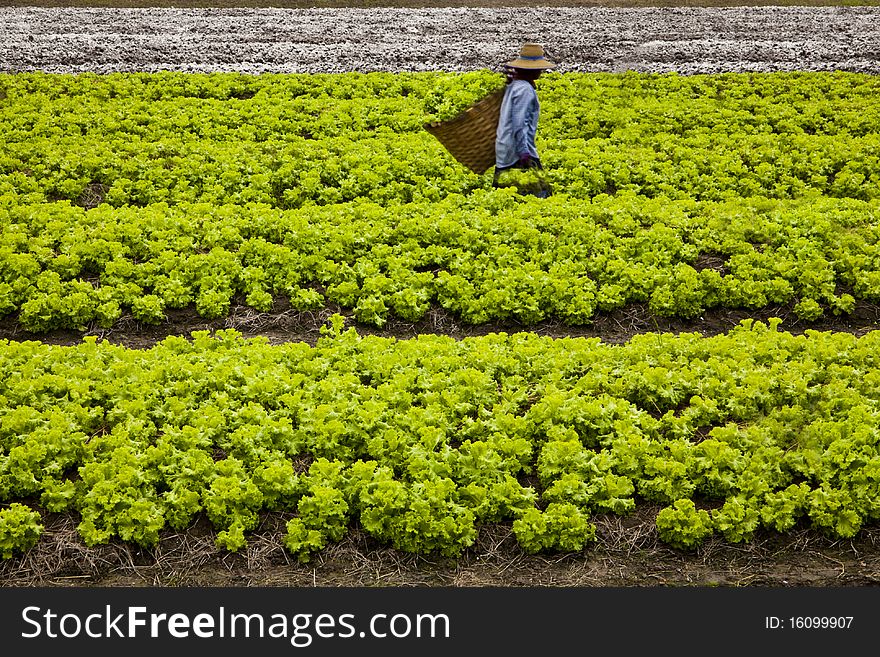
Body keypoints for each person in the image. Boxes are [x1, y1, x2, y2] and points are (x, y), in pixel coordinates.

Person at [493, 43, 556, 197]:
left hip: (505, 147)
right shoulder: (525, 90)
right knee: (540, 194)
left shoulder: (514, 86)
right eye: (539, 68)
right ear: (532, 70)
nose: (541, 72)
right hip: (517, 149)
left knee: (504, 194)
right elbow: (519, 123)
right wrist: (524, 152)